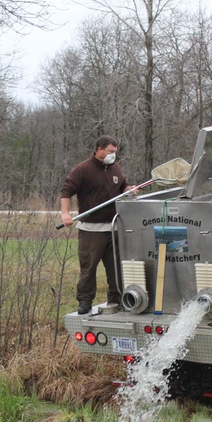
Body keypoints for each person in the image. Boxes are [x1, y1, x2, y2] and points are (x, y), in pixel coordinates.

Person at [59, 135, 128, 315]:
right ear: (99, 149)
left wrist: (130, 190)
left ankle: (117, 298)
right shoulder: (82, 169)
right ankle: (85, 301)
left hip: (113, 228)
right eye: (110, 152)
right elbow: (66, 192)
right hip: (91, 230)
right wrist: (65, 213)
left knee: (116, 268)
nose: (113, 155)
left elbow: (122, 189)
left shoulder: (115, 169)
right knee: (88, 268)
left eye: (115, 152)